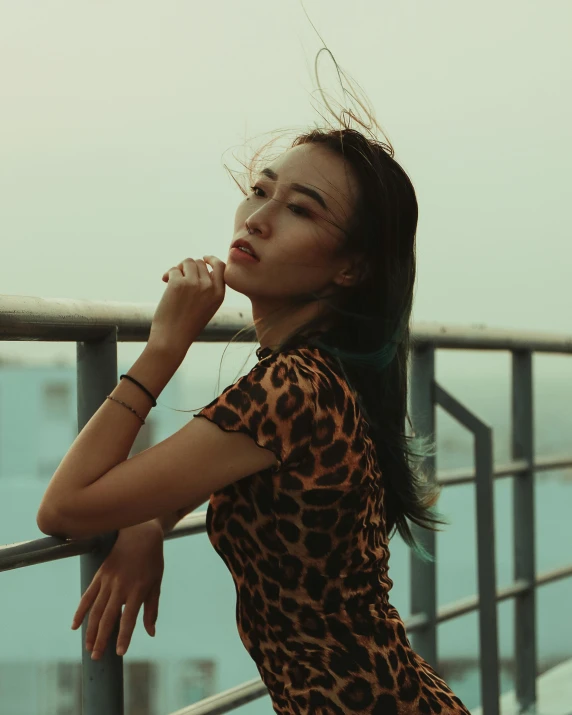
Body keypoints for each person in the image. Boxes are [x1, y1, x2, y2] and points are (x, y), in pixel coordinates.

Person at [37, 127, 471, 714]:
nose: (258, 218)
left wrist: (165, 347)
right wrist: (145, 521)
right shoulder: (324, 377)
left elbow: (63, 507)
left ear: (351, 268)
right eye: (260, 191)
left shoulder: (291, 389)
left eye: (299, 210)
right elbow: (227, 465)